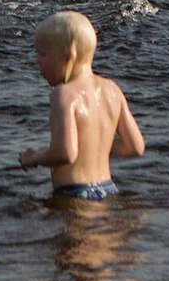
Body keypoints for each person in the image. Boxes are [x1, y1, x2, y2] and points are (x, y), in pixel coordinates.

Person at [18, 11, 145, 199]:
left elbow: (65, 153)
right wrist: (93, 144)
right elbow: (135, 147)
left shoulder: (64, 94)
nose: (38, 61)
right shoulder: (112, 89)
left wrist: (34, 157)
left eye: (42, 53)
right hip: (108, 189)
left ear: (67, 56)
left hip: (75, 193)